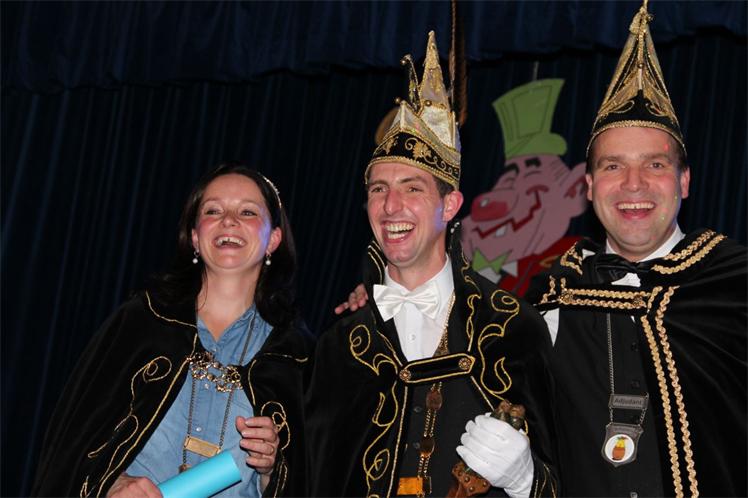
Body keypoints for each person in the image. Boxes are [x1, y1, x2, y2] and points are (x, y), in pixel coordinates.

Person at [307, 31, 557, 497]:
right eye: (378, 190)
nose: (391, 206)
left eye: (412, 188)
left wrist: (526, 480)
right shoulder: (339, 347)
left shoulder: (512, 329)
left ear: (450, 205)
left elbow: (561, 474)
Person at [524, 2, 747, 496]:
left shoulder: (736, 284)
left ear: (684, 181)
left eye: (655, 165)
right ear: (587, 186)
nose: (633, 184)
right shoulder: (550, 296)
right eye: (612, 166)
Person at [32, 163, 313, 497]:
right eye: (213, 210)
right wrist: (113, 482)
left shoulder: (295, 354)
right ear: (194, 236)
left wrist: (270, 469)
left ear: (274, 240)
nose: (228, 220)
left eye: (248, 212)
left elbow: (311, 477)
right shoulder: (141, 322)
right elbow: (76, 443)